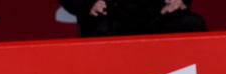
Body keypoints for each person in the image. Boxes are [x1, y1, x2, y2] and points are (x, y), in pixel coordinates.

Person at [60, 0, 206, 38]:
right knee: (101, 33)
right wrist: (87, 3)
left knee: (190, 24)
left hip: (158, 11)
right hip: (108, 12)